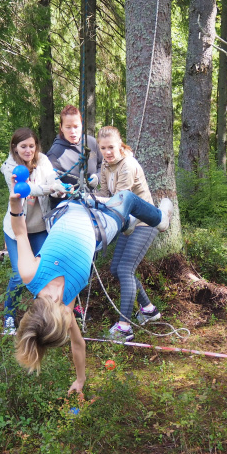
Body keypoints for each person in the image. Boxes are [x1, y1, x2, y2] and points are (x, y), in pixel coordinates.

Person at [9, 188, 174, 395]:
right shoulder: (66, 309)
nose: (68, 318)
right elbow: (78, 345)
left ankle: (127, 221)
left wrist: (15, 204)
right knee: (127, 198)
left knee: (77, 183)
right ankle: (160, 220)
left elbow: (20, 232)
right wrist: (80, 379)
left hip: (68, 211)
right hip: (99, 228)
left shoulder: (30, 274)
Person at [94, 126, 162, 342]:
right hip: (127, 224)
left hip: (144, 222)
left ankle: (124, 327)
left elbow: (119, 200)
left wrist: (96, 201)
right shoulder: (106, 165)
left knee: (125, 269)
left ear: (120, 144)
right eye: (103, 148)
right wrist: (89, 195)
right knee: (116, 269)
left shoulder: (128, 165)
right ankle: (149, 310)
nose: (107, 152)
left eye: (111, 147)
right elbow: (104, 194)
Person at [0, 128, 64, 334]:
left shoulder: (43, 161)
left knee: (44, 274)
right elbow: (25, 190)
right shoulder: (9, 167)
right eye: (23, 146)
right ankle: (9, 317)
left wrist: (58, 186)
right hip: (17, 230)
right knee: (20, 275)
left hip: (40, 228)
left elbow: (53, 180)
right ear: (15, 148)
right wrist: (50, 187)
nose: (28, 150)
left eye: (31, 146)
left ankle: (42, 317)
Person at [46, 105, 102, 208]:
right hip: (68, 206)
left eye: (76, 126)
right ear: (61, 128)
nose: (73, 131)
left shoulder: (91, 143)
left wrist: (98, 177)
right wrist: (61, 190)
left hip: (93, 200)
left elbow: (103, 165)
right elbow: (50, 184)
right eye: (68, 127)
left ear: (82, 125)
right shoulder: (54, 155)